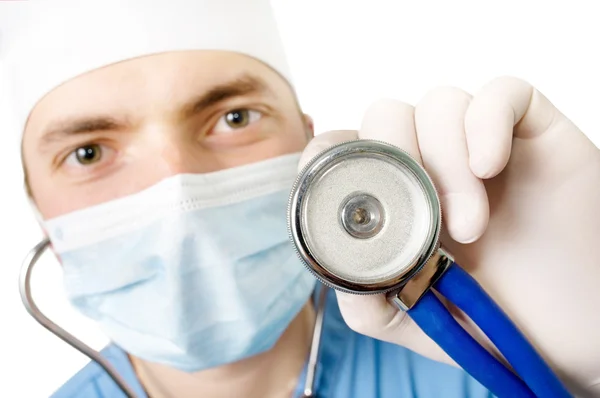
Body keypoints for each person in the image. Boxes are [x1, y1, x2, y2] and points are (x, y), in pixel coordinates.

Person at [2, 1, 599, 397]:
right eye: (87, 153)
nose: (176, 188)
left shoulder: (492, 357)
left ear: (309, 143)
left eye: (234, 117)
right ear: (40, 213)